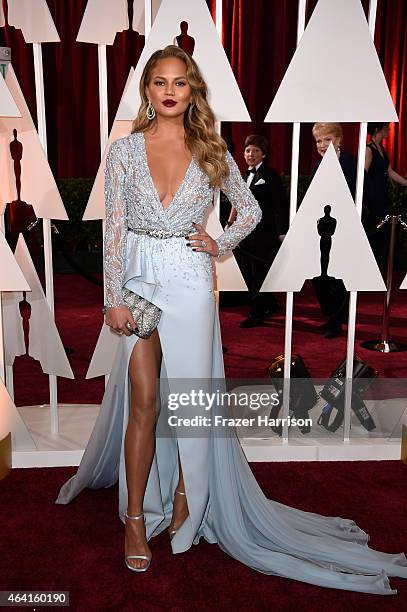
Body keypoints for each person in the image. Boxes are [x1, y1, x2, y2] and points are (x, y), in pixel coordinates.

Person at [56, 46, 407, 594]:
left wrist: (217, 243)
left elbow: (253, 210)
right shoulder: (123, 152)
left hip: (192, 281)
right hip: (139, 281)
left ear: (192, 90)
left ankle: (185, 498)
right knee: (144, 400)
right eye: (159, 83)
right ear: (147, 91)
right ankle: (133, 519)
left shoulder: (211, 149)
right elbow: (113, 231)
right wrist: (111, 297)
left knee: (189, 401)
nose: (169, 91)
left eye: (179, 83)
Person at [226, 135, 288, 328]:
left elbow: (279, 205)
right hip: (247, 232)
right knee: (251, 272)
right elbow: (238, 201)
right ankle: (268, 303)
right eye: (247, 150)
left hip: (265, 232)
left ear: (264, 154)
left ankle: (257, 311)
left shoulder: (271, 175)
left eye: (255, 150)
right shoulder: (245, 176)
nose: (250, 154)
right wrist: (230, 223)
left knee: (260, 272)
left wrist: (282, 231)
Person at [311, 123, 354, 338]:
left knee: (338, 276)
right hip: (321, 230)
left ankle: (336, 321)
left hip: (345, 227)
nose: (321, 144)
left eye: (327, 139)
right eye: (318, 140)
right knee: (321, 275)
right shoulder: (317, 165)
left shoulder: (349, 163)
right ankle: (331, 317)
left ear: (339, 139)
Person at [364, 122, 407, 268]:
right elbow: (364, 176)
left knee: (384, 234)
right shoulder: (369, 150)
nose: (389, 130)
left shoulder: (381, 149)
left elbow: (390, 172)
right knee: (376, 232)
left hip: (383, 196)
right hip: (373, 199)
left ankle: (381, 266)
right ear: (378, 130)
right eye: (386, 127)